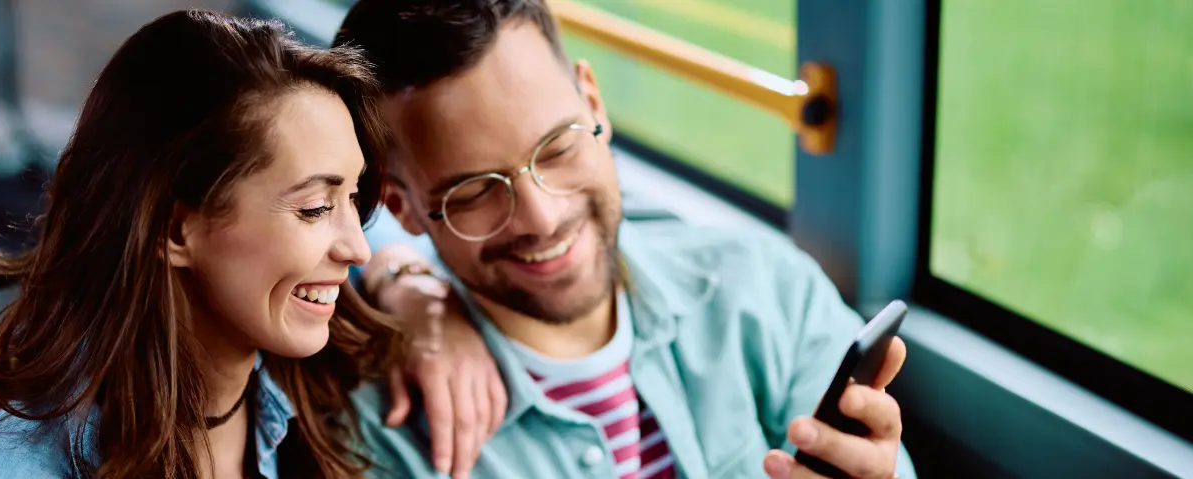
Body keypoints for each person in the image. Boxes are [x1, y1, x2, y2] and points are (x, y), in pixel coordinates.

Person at [333, 1, 920, 478]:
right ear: (399, 205)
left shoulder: (768, 290)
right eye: (474, 193)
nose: (541, 215)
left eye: (558, 148)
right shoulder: (376, 441)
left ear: (593, 99)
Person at [0, 10, 503, 478]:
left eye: (354, 198)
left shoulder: (303, 360)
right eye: (314, 209)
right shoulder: (19, 469)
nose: (355, 248)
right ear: (176, 231)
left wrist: (414, 288)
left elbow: (386, 244)